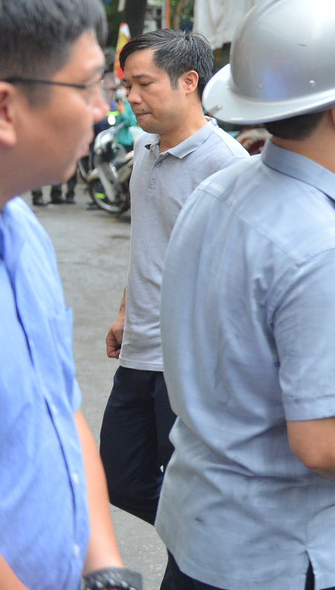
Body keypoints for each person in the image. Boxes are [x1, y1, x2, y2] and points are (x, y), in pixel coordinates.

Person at [156, 0, 335, 590]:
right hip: (273, 555)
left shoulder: (222, 188)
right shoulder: (323, 250)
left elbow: (235, 341)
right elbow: (329, 446)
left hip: (203, 530)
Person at [0, 0, 142, 590]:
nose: (102, 111)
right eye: (87, 88)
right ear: (6, 108)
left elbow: (61, 407)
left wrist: (103, 563)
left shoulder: (26, 232)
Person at [100, 30, 249, 555]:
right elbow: (150, 238)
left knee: (188, 485)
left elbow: (239, 276)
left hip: (187, 363)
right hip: (140, 347)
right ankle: (207, 548)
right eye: (128, 85)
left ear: (189, 82)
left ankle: (204, 557)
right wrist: (125, 310)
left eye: (143, 84)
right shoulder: (143, 146)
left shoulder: (226, 164)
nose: (131, 97)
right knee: (118, 476)